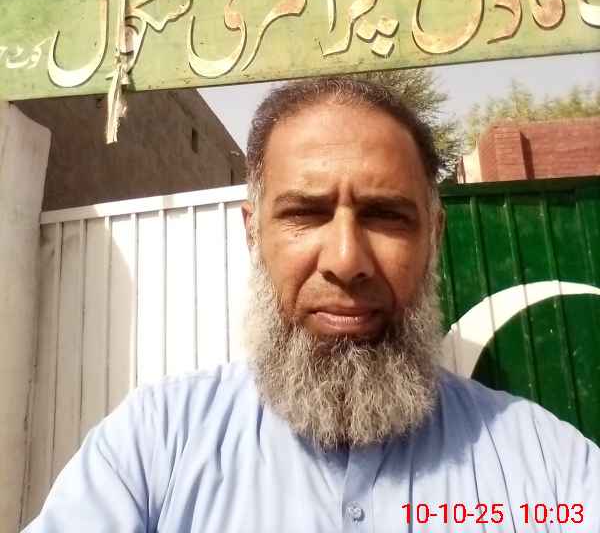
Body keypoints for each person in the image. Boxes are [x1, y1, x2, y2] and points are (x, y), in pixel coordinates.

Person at [24, 77, 600, 532]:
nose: (346, 260)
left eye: (385, 216)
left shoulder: (544, 466)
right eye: (305, 213)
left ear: (434, 235)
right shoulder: (154, 447)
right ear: (253, 233)